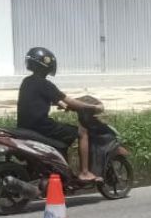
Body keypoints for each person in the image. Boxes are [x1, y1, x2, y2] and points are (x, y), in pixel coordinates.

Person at [17, 47, 101, 182]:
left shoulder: (27, 82)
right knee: (82, 132)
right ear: (48, 65)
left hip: (25, 126)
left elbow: (39, 99)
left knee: (62, 137)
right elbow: (70, 101)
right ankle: (85, 172)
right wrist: (91, 107)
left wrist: (61, 104)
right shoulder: (45, 84)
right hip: (41, 126)